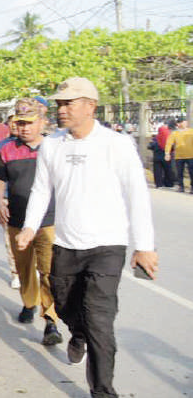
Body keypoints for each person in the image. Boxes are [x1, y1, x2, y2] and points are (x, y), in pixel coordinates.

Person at [15, 77, 157, 398]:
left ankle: (103, 391)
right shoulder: (52, 144)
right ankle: (76, 331)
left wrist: (144, 246)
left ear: (90, 106)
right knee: (64, 305)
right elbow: (41, 190)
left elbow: (137, 194)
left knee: (100, 320)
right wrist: (29, 226)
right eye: (59, 103)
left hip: (107, 246)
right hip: (66, 244)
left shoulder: (117, 145)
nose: (61, 109)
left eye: (69, 103)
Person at [0, 98, 61, 346]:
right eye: (20, 123)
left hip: (48, 221)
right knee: (24, 268)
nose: (24, 128)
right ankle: (29, 302)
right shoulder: (6, 149)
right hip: (17, 220)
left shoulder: (55, 148)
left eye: (29, 122)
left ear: (42, 122)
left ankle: (51, 319)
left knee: (49, 270)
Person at [0, 113, 22, 289]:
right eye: (13, 122)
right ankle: (15, 272)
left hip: (29, 200)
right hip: (6, 199)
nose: (16, 125)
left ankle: (32, 268)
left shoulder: (40, 145)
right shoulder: (2, 147)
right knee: (10, 238)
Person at [164, 119, 193, 192]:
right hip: (179, 156)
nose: (185, 124)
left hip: (191, 155)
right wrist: (167, 153)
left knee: (192, 172)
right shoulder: (174, 133)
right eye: (183, 123)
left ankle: (192, 187)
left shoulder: (191, 131)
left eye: (186, 122)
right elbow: (169, 143)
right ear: (178, 124)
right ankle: (181, 186)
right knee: (179, 172)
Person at [150, 120, 174, 188]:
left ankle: (158, 184)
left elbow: (151, 146)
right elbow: (172, 147)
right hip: (166, 156)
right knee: (168, 170)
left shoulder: (155, 138)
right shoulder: (169, 137)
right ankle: (169, 183)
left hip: (157, 157)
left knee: (157, 171)